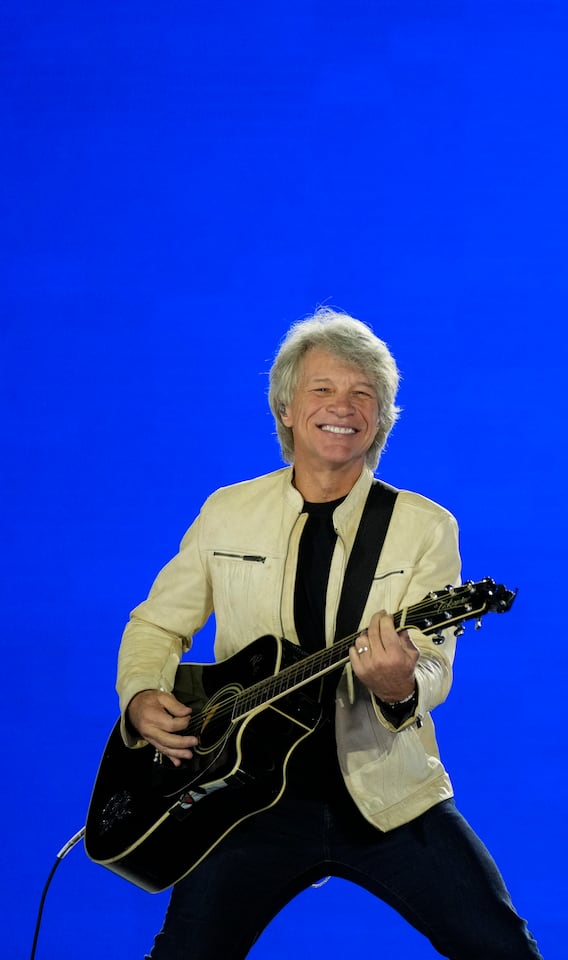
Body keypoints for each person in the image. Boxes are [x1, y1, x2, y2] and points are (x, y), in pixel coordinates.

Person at [115, 307, 543, 959]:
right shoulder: (228, 512)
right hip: (244, 800)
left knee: (504, 952)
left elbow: (433, 665)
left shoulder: (425, 527)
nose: (343, 407)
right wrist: (143, 694)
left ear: (380, 418)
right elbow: (156, 623)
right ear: (286, 408)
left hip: (388, 795)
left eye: (363, 395)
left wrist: (398, 687)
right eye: (323, 389)